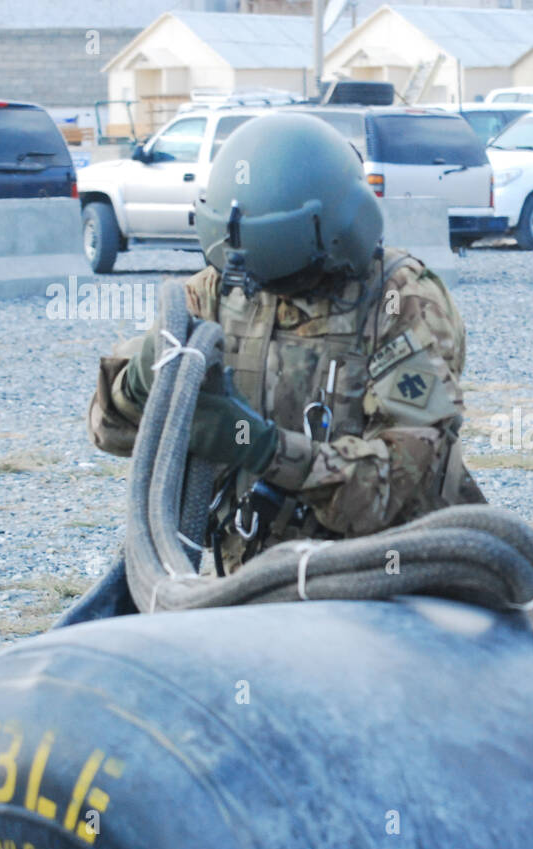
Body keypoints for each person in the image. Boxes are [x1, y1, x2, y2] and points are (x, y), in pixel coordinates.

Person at [88, 113, 484, 574]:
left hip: (391, 573)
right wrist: (136, 387)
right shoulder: (216, 292)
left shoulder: (401, 302)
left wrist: (262, 448)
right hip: (256, 577)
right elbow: (109, 431)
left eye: (290, 280)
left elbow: (399, 485)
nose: (270, 295)